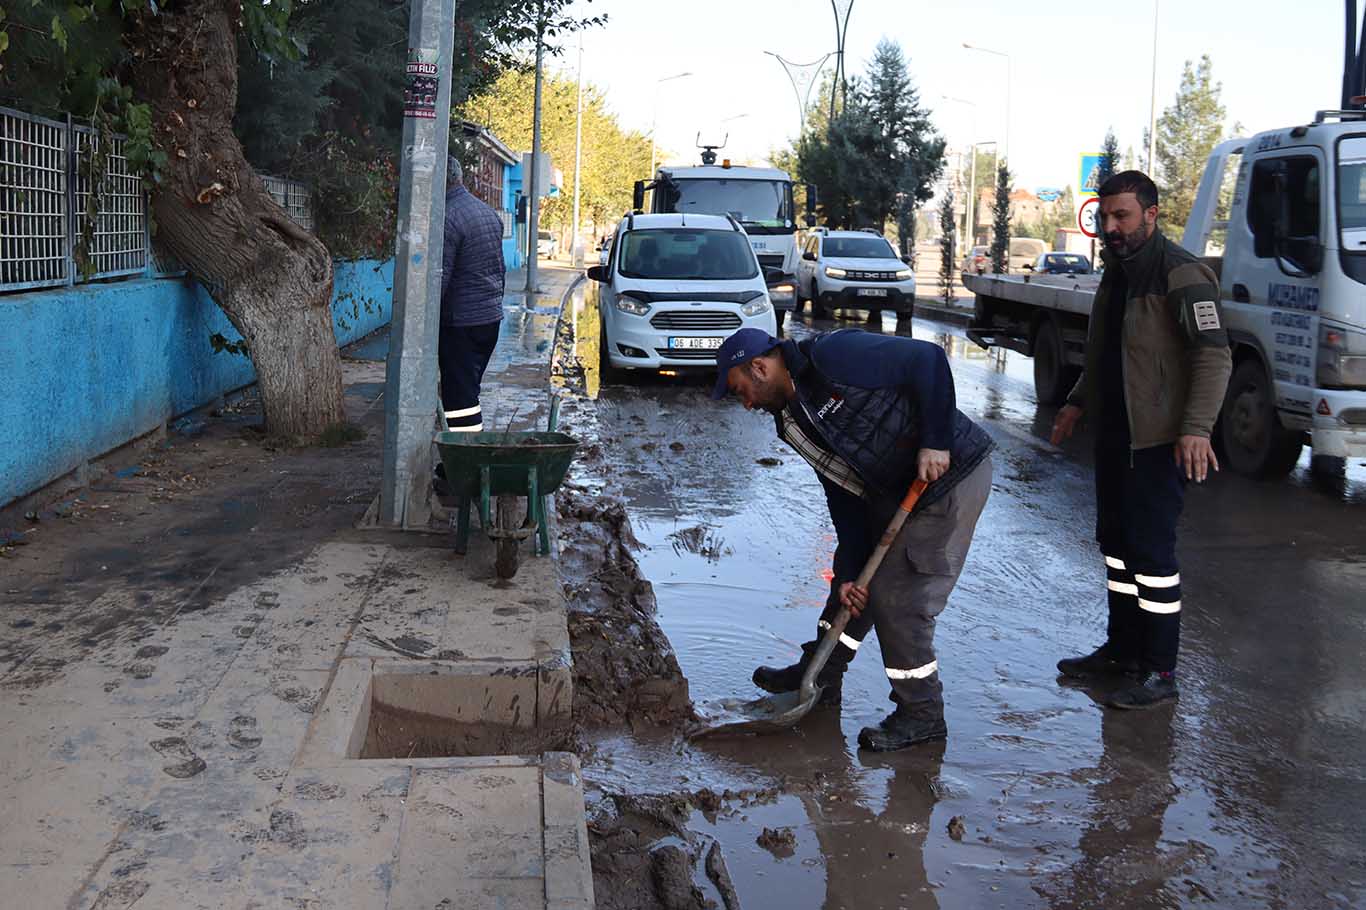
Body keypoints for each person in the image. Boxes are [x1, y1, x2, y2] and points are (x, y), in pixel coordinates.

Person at [711, 326, 994, 751]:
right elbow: (841, 492)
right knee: (854, 586)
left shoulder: (834, 354)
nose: (746, 403)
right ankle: (820, 673)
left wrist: (935, 441)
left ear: (759, 366)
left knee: (898, 598)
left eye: (741, 391)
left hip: (946, 479)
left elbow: (928, 360)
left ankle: (922, 714)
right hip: (890, 492)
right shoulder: (791, 419)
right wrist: (849, 572)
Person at [1050, 170, 1231, 709]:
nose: (1111, 226)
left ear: (1151, 215)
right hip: (1115, 436)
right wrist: (1077, 401)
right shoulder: (1116, 273)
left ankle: (1159, 671)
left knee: (1152, 558)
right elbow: (1104, 349)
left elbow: (1213, 356)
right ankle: (1122, 653)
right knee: (1119, 551)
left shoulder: (1181, 274)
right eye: (1105, 217)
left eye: (1122, 216)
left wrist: (1196, 429)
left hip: (1157, 440)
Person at [439, 155, 505, 434]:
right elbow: (499, 269)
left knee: (460, 400)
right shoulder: (487, 212)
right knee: (468, 388)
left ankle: (464, 460)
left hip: (461, 323)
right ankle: (463, 451)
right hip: (489, 318)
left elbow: (439, 277)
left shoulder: (447, 217)